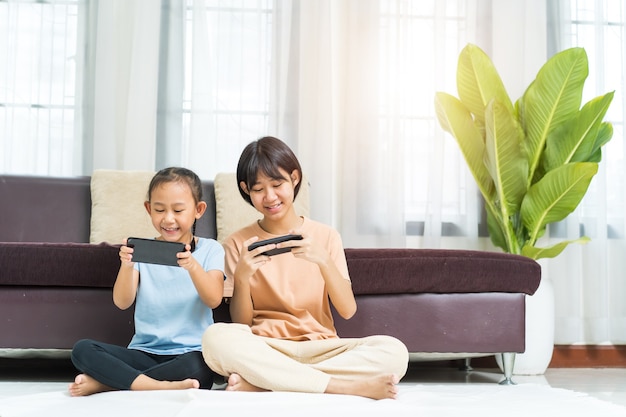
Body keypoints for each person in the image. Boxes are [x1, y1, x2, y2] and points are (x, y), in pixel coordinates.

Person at [202, 136, 408, 400]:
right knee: (215, 338)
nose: (270, 197)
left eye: (277, 184)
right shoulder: (237, 243)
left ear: (295, 178)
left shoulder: (326, 236)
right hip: (267, 347)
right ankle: (340, 386)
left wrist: (323, 260)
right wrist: (242, 279)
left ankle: (269, 382)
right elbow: (242, 323)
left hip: (321, 346)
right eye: (259, 189)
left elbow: (347, 310)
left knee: (395, 351)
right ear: (245, 189)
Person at [69, 167, 225, 397]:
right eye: (159, 210)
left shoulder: (211, 249)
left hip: (190, 352)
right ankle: (157, 385)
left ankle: (110, 383)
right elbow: (122, 302)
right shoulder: (141, 251)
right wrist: (127, 264)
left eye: (178, 210)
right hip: (144, 352)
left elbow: (213, 299)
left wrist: (192, 266)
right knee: (82, 350)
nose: (168, 219)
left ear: (198, 210)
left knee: (200, 368)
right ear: (148, 208)